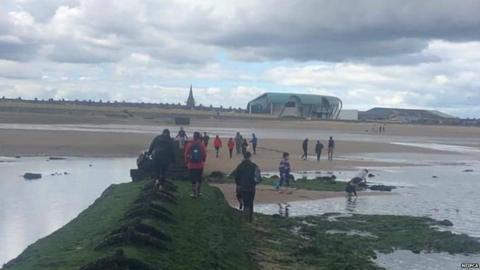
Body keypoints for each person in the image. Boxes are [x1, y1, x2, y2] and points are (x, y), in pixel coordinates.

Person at [234, 151, 261, 222]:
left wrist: (239, 184)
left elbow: (236, 178)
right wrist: (255, 183)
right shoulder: (254, 166)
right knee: (251, 202)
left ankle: (246, 218)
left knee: (245, 203)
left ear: (244, 157)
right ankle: (250, 219)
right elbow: (258, 178)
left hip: (242, 186)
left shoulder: (239, 166)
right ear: (250, 157)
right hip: (251, 187)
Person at [184, 132, 207, 198]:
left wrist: (186, 162)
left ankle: (194, 193)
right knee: (199, 179)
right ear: (199, 137)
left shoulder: (189, 144)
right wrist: (203, 160)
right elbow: (204, 154)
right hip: (200, 165)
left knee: (193, 179)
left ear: (193, 137)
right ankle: (199, 192)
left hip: (191, 165)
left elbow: (186, 154)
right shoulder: (201, 145)